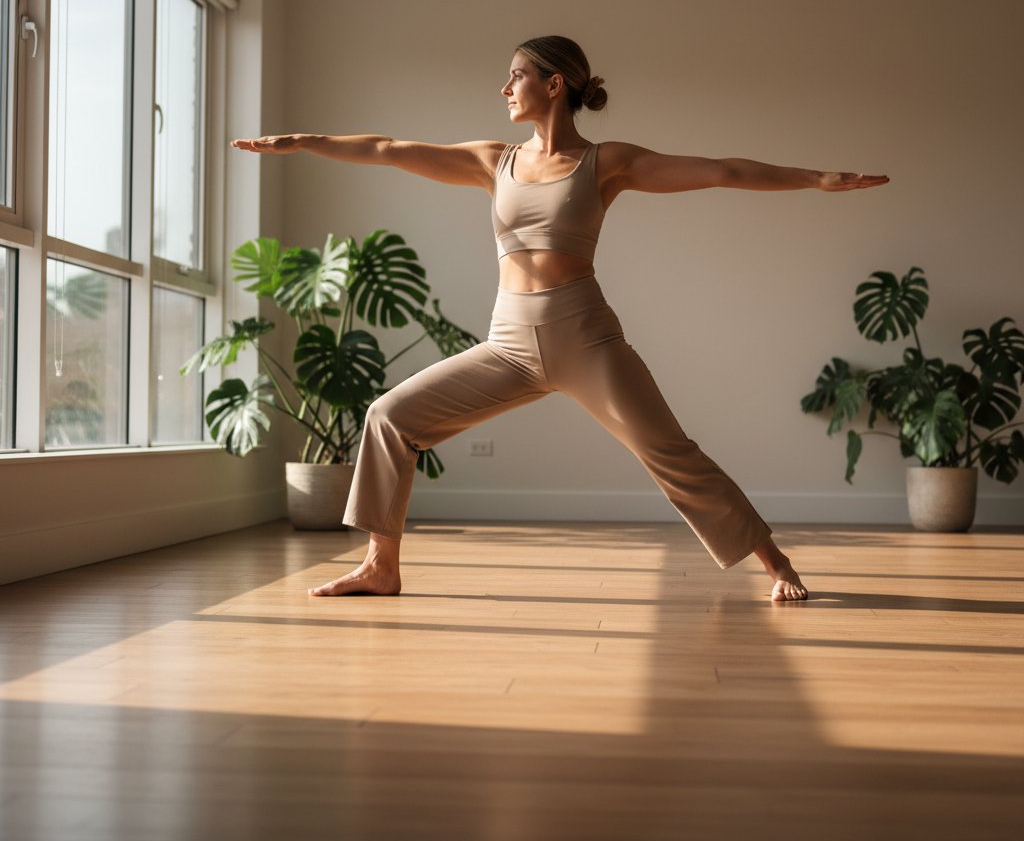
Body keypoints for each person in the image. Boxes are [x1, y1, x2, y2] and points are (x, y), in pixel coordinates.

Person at [233, 35, 888, 602]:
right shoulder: (494, 161)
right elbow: (387, 148)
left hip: (585, 336)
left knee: (671, 453)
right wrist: (303, 142)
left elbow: (722, 170)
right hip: (508, 343)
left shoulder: (607, 163)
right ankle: (381, 566)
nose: (504, 88)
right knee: (390, 416)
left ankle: (777, 563)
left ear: (554, 84)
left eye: (515, 75)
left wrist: (815, 178)